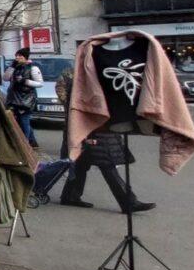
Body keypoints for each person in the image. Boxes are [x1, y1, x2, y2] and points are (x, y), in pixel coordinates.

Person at [54, 67, 153, 213]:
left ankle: (70, 196)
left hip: (91, 128)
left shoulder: (92, 76)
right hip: (94, 129)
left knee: (81, 164)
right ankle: (129, 202)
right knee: (107, 165)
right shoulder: (87, 79)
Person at [7, 48, 43, 148]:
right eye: (16, 56)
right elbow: (5, 78)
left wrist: (25, 81)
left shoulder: (33, 68)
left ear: (25, 58)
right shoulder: (14, 67)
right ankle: (33, 142)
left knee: (24, 121)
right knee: (21, 121)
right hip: (14, 98)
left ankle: (25, 145)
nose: (17, 58)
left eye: (20, 56)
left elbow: (40, 83)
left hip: (26, 99)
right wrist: (11, 67)